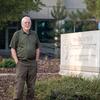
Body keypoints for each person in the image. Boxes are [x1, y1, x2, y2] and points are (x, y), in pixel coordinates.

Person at [10, 16, 40, 100]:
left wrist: (36, 60)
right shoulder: (17, 34)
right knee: (19, 85)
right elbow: (12, 48)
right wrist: (17, 61)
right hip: (21, 63)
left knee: (31, 86)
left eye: (29, 22)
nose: (27, 24)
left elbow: (37, 48)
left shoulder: (34, 34)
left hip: (32, 63)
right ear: (22, 24)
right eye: (25, 23)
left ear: (31, 23)